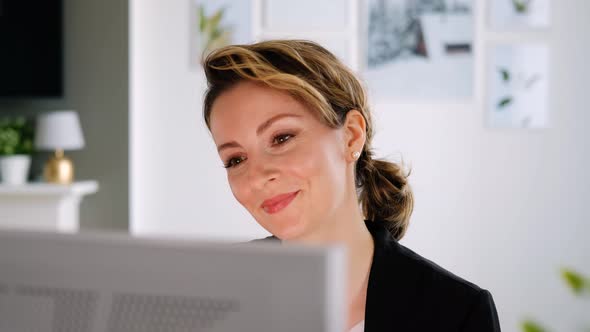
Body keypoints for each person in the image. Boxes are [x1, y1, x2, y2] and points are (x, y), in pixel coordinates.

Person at [202, 39, 501, 332]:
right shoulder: (211, 291)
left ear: (351, 136)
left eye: (281, 138)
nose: (256, 176)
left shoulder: (456, 312)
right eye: (236, 159)